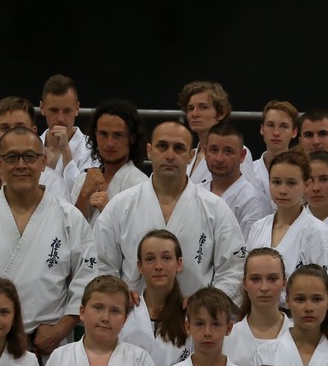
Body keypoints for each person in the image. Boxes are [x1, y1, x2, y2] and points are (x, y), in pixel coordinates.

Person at [0, 126, 97, 356]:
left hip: (46, 347)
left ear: (43, 162)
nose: (21, 165)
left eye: (30, 156)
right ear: (0, 163)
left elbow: (87, 277)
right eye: (12, 157)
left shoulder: (69, 218)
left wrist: (61, 329)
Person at [93, 121, 247, 303]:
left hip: (195, 317)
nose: (170, 155)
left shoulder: (215, 208)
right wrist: (118, 297)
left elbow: (233, 269)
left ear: (191, 156)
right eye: (162, 146)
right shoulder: (120, 205)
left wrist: (207, 305)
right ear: (149, 151)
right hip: (133, 314)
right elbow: (101, 264)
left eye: (179, 148)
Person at [244, 149, 328, 282]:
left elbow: (324, 287)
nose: (282, 190)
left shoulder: (318, 232)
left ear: (307, 185)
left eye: (291, 183)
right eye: (276, 182)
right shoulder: (258, 227)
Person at [0, 97, 69, 205]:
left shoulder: (53, 182)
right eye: (5, 128)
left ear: (33, 131)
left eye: (20, 128)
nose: (12, 134)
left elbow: (64, 215)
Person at [118, 230, 191, 366]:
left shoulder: (191, 316)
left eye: (166, 258)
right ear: (140, 266)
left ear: (179, 264)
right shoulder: (125, 312)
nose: (158, 266)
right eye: (150, 259)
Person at [70, 99, 148, 222]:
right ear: (95, 135)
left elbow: (140, 231)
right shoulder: (82, 181)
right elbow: (70, 230)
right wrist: (84, 195)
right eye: (103, 134)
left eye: (117, 135)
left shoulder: (140, 185)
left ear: (131, 138)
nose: (109, 143)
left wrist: (107, 210)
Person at [178, 79, 253, 187]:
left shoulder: (235, 151)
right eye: (190, 108)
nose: (194, 114)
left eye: (203, 107)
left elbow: (246, 191)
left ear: (221, 113)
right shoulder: (193, 154)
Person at [197, 120, 268, 234]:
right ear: (205, 152)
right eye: (214, 150)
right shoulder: (194, 193)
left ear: (242, 155)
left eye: (228, 151)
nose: (219, 158)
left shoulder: (255, 201)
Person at [225, 247, 290, 366]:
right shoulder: (227, 339)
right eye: (255, 279)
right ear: (245, 283)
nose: (264, 287)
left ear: (284, 283)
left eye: (272, 279)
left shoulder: (299, 336)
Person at [39, 74, 98, 190]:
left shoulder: (92, 149)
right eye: (54, 110)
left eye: (67, 111)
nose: (60, 118)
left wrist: (66, 152)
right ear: (42, 108)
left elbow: (83, 194)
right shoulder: (32, 148)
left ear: (77, 108)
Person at [250, 99, 299, 193]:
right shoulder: (250, 172)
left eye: (283, 126)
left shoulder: (302, 172)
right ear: (262, 129)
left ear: (294, 132)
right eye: (270, 125)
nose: (276, 133)